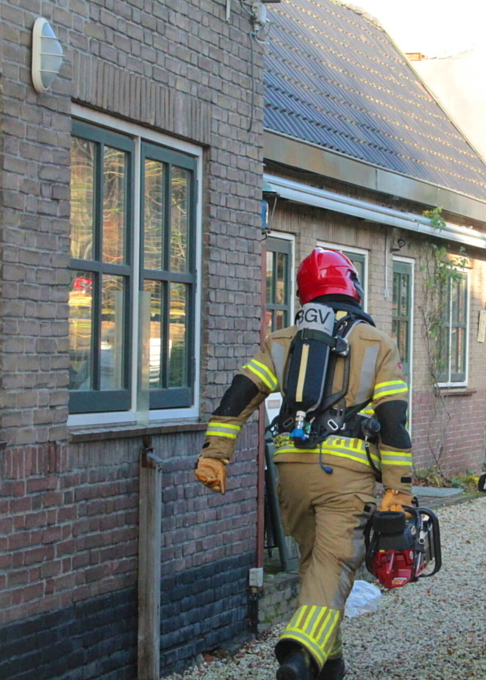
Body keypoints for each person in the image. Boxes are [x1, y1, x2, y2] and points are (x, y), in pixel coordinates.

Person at [194, 248, 413, 680]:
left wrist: (214, 454)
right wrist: (398, 488)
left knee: (315, 565)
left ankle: (330, 667)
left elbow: (238, 395)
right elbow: (393, 422)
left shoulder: (282, 341)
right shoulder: (378, 345)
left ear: (303, 293)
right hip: (345, 481)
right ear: (352, 285)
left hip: (291, 472)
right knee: (334, 567)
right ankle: (297, 652)